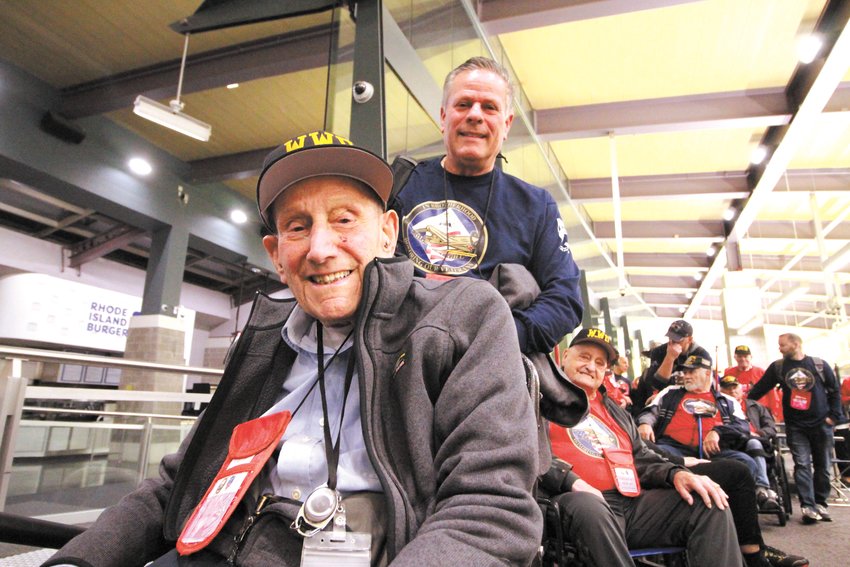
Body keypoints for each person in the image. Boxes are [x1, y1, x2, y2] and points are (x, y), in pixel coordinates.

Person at [44, 131, 555, 567]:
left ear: (387, 233)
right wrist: (78, 560)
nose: (319, 248)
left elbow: (490, 508)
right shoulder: (265, 341)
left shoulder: (463, 317)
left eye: (344, 219)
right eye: (297, 226)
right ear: (277, 258)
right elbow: (180, 484)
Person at [390, 56, 582, 356]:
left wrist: (498, 337)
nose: (475, 115)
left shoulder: (536, 207)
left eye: (489, 107)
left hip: (493, 369)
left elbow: (565, 299)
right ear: (443, 117)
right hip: (400, 356)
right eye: (463, 104)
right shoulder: (398, 185)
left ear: (506, 125)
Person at [543, 328, 743, 567]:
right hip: (573, 502)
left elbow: (641, 456)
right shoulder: (540, 400)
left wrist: (675, 472)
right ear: (564, 357)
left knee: (708, 503)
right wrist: (570, 480)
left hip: (629, 502)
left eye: (600, 362)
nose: (591, 367)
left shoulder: (615, 411)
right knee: (589, 506)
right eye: (584, 357)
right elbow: (527, 452)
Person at [636, 355, 777, 508]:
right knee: (655, 456)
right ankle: (661, 507)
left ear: (707, 374)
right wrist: (645, 423)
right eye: (685, 372)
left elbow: (742, 426)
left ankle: (737, 508)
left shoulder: (726, 400)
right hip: (674, 448)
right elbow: (650, 412)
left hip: (716, 451)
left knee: (747, 463)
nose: (686, 376)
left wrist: (718, 432)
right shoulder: (670, 392)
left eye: (692, 372)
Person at [748, 333, 844, 524]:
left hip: (821, 425)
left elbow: (835, 392)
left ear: (796, 344)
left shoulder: (819, 365)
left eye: (782, 345)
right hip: (796, 426)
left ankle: (821, 503)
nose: (780, 348)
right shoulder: (778, 367)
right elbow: (759, 389)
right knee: (802, 465)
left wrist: (833, 418)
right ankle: (808, 506)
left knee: (823, 466)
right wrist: (738, 403)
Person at [718, 375, 781, 511]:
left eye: (735, 388)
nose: (732, 391)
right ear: (721, 391)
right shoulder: (719, 407)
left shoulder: (756, 406)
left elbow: (771, 427)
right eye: (727, 389)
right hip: (731, 443)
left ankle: (761, 489)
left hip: (757, 442)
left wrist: (758, 434)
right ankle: (760, 490)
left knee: (754, 443)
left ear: (741, 390)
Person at [631, 320, 711, 413]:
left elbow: (703, 385)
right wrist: (670, 357)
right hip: (661, 399)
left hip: (690, 400)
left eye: (678, 339)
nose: (673, 342)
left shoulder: (702, 355)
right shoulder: (659, 351)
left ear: (689, 339)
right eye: (671, 338)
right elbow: (656, 384)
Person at [723, 344, 783, 422]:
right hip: (738, 412)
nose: (743, 359)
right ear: (735, 357)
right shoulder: (729, 373)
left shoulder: (761, 372)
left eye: (745, 356)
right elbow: (724, 392)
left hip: (760, 411)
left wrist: (774, 412)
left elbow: (772, 393)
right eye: (740, 356)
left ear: (751, 357)